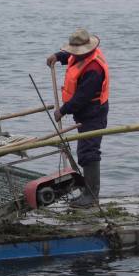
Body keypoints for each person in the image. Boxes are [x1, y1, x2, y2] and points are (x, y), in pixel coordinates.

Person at [47, 28, 109, 208]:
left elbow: (82, 98)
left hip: (94, 113)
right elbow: (70, 57)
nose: (73, 54)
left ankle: (91, 195)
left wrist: (63, 110)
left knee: (88, 152)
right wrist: (57, 56)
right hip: (84, 113)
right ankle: (87, 192)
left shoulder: (93, 69)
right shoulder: (80, 56)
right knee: (85, 151)